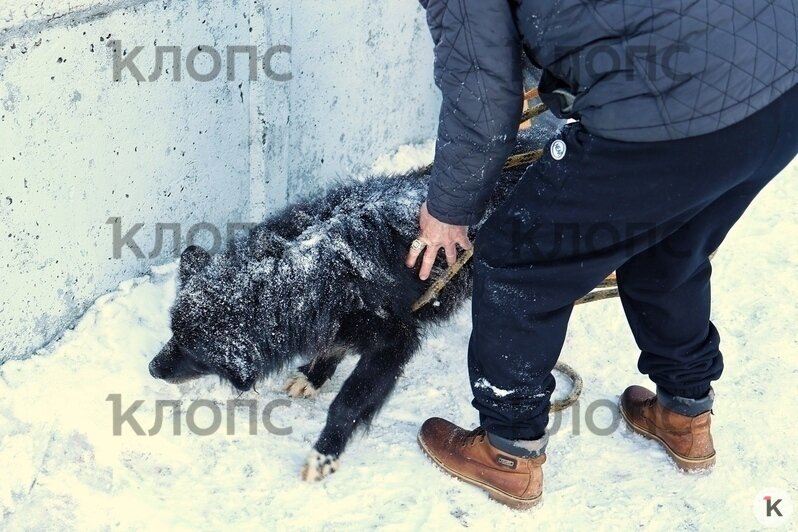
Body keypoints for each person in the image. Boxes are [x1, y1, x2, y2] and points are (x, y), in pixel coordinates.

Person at [406, 0, 798, 509]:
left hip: (669, 116)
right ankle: (685, 415)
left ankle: (508, 452)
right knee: (671, 249)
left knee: (519, 260)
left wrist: (448, 209)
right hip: (780, 88)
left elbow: (483, 95)